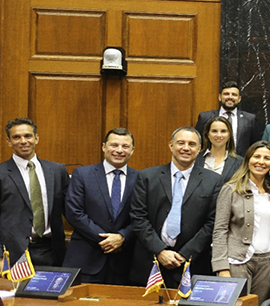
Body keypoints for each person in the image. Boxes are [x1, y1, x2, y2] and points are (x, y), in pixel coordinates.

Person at [130, 127, 222, 286]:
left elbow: (212, 223)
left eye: (192, 144)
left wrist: (186, 254)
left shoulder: (213, 181)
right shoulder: (147, 177)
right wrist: (159, 250)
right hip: (150, 262)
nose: (186, 148)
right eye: (181, 143)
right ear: (171, 146)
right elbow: (138, 218)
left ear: (199, 149)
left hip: (191, 265)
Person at [212, 141, 270, 306]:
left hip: (265, 263)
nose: (261, 162)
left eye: (267, 158)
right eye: (257, 157)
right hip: (237, 263)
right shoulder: (231, 189)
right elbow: (219, 230)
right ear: (248, 160)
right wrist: (221, 268)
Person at [63, 128, 138, 284]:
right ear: (104, 147)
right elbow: (74, 212)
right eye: (114, 145)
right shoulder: (82, 174)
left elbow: (142, 216)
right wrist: (107, 240)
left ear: (132, 150)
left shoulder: (141, 178)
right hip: (85, 260)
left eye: (125, 146)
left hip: (124, 263)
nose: (119, 150)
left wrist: (122, 237)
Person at [0, 117, 69, 266]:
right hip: (13, 253)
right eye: (16, 137)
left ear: (36, 138)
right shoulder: (1, 173)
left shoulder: (57, 171)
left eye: (28, 136)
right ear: (8, 141)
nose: (23, 141)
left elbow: (70, 209)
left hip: (52, 251)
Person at [195, 81, 264, 157]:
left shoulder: (250, 119)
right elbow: (197, 141)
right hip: (210, 161)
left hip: (240, 164)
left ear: (239, 99)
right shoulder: (205, 117)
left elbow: (255, 144)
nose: (230, 97)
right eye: (226, 94)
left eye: (234, 95)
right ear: (219, 97)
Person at [195, 116, 243, 183]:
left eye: (223, 131)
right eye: (214, 131)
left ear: (229, 135)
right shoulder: (195, 158)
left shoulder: (240, 162)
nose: (219, 135)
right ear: (208, 135)